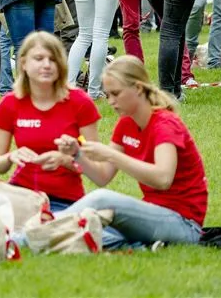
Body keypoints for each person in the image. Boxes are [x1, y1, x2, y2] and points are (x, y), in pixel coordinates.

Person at [58, 56, 207, 250]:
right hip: (154, 215)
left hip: (184, 224)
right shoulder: (126, 123)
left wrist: (112, 155)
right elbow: (103, 176)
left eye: (115, 94)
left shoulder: (165, 124)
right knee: (89, 225)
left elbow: (163, 178)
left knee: (101, 200)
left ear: (137, 88)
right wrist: (77, 155)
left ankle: (35, 231)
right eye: (108, 95)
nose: (110, 101)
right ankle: (141, 246)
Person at [0, 32, 101, 211]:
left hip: (64, 201)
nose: (47, 65)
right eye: (39, 58)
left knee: (43, 231)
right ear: (23, 63)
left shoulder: (80, 102)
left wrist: (66, 160)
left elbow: (99, 168)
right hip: (22, 195)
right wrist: (10, 157)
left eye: (53, 59)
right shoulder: (10, 103)